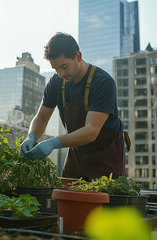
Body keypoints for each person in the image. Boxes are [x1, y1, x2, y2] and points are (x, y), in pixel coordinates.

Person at [21, 32, 128, 181]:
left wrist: (53, 143)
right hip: (76, 156)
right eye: (56, 69)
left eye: (64, 67)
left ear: (78, 56)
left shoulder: (103, 82)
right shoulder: (56, 82)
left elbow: (91, 131)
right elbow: (41, 117)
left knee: (104, 201)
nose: (60, 74)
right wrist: (31, 137)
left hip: (106, 157)